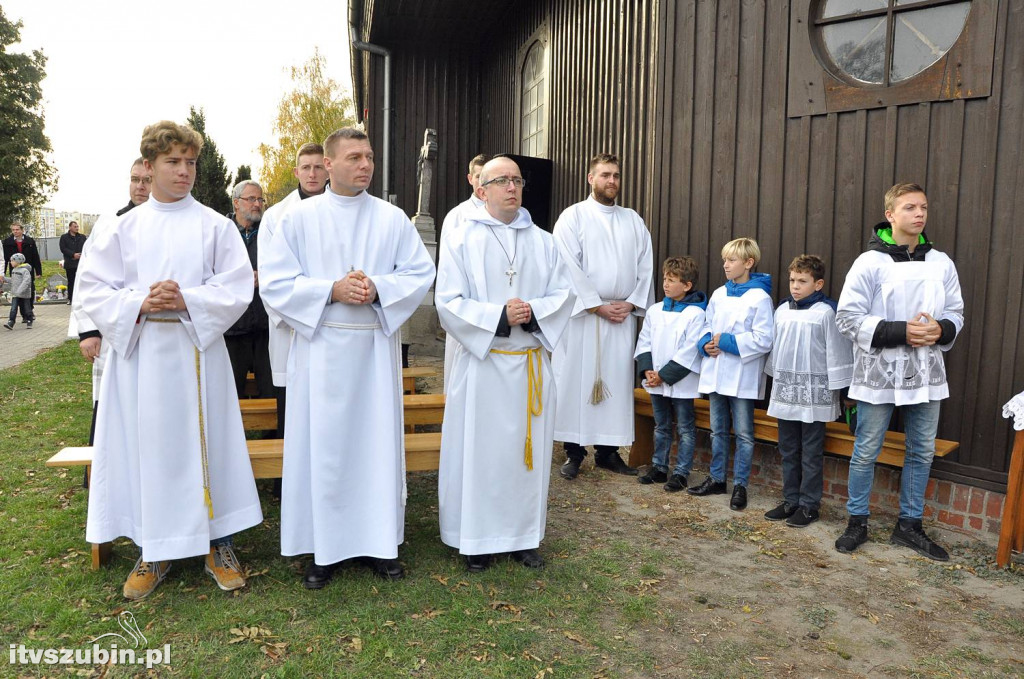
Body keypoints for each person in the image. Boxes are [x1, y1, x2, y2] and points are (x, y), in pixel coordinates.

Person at [76, 120, 263, 600]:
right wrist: (141, 302)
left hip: (197, 351)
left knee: (208, 446)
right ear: (149, 166)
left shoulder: (215, 225)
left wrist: (187, 301)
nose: (184, 171)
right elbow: (93, 288)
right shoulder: (120, 227)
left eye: (191, 163)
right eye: (172, 162)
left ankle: (217, 545)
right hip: (139, 358)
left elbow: (239, 287)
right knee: (148, 448)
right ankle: (153, 549)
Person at [260, 127, 435, 589]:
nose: (365, 165)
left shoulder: (392, 218)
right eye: (355, 157)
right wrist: (330, 289)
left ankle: (379, 544)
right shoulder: (297, 220)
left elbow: (420, 271)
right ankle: (323, 549)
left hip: (374, 349)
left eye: (370, 156)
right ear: (330, 164)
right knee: (326, 450)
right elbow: (275, 284)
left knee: (374, 448)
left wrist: (379, 287)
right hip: (320, 352)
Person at [436, 156, 572, 572]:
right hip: (484, 367)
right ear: (481, 189)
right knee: (483, 456)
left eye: (516, 180)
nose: (511, 187)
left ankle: (522, 537)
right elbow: (448, 303)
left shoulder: (545, 242)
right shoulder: (463, 239)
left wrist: (531, 311)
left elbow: (565, 295)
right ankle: (476, 540)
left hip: (528, 365)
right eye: (501, 181)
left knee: (523, 459)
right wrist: (498, 316)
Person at [834, 183, 964, 561]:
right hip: (880, 371)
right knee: (867, 449)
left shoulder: (940, 262)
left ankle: (909, 526)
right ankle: (857, 521)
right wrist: (899, 331)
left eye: (923, 206)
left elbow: (956, 311)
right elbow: (847, 319)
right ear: (890, 215)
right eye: (910, 207)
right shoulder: (870, 262)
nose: (919, 213)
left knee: (921, 450)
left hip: (926, 373)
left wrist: (942, 329)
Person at [552, 153, 654, 480]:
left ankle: (609, 453)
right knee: (575, 382)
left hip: (621, 316)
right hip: (583, 316)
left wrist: (634, 302)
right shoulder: (573, 217)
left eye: (616, 175)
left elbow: (645, 266)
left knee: (616, 384)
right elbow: (566, 265)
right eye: (605, 175)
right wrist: (595, 304)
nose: (612, 181)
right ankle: (574, 452)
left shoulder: (633, 220)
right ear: (590, 178)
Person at [763, 255, 853, 527]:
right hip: (787, 391)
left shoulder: (826, 312)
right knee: (788, 448)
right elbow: (777, 350)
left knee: (811, 452)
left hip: (814, 394)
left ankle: (809, 505)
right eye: (792, 280)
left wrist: (843, 391)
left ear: (818, 284)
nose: (795, 286)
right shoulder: (782, 310)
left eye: (802, 281)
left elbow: (838, 353)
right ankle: (791, 500)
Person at [70, 159, 152, 452]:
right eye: (135, 179)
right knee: (109, 401)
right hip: (112, 329)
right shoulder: (109, 223)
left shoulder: (172, 221)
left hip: (156, 330)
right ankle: (103, 474)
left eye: (147, 180)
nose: (140, 186)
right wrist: (88, 331)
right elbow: (86, 280)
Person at [689, 237, 773, 511]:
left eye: (732, 260)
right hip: (715, 372)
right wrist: (704, 343)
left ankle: (740, 485)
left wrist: (725, 342)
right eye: (725, 259)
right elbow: (705, 323)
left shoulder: (759, 297)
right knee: (717, 431)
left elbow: (764, 338)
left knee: (745, 434)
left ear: (748, 263)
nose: (725, 265)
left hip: (741, 375)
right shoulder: (718, 293)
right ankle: (716, 479)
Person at [257, 142, 330, 441]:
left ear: (328, 169)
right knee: (291, 412)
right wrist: (302, 312)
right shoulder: (276, 216)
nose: (312, 174)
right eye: (306, 167)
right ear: (295, 171)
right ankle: (284, 484)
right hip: (291, 330)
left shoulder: (344, 209)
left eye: (318, 167)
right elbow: (270, 276)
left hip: (332, 325)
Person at [633, 256, 707, 492]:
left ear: (687, 285)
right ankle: (659, 467)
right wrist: (648, 371)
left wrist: (664, 375)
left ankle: (682, 472)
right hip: (655, 380)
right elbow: (644, 341)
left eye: (672, 280)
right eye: (665, 278)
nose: (665, 284)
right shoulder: (655, 310)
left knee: (685, 427)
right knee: (661, 425)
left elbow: (690, 350)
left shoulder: (696, 313)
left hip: (681, 381)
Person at [440, 153, 489, 393]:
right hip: (466, 307)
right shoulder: (458, 216)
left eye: (488, 176)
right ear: (470, 179)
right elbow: (449, 267)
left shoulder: (512, 216)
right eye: (479, 176)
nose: (483, 182)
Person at [224, 180, 273, 400]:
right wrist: (239, 280)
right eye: (251, 199)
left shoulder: (270, 233)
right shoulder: (222, 233)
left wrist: (264, 276)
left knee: (271, 392)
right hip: (232, 330)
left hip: (264, 328)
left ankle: (272, 436)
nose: (257, 204)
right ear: (236, 203)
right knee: (231, 395)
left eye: (260, 199)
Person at [2, 222, 42, 316]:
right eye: (13, 230)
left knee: (30, 290)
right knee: (18, 291)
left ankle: (30, 310)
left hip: (28, 269)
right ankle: (24, 314)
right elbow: (5, 259)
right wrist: (2, 273)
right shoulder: (7, 242)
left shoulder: (30, 241)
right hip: (15, 271)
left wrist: (38, 271)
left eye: (17, 229)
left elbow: (35, 256)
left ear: (22, 230)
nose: (15, 231)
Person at [4, 253, 35, 329]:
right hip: (15, 294)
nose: (10, 262)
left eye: (12, 261)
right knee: (13, 308)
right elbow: (13, 281)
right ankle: (11, 321)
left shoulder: (25, 271)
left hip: (24, 294)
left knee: (27, 308)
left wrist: (20, 290)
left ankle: (29, 320)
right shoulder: (14, 270)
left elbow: (26, 281)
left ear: (18, 261)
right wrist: (4, 279)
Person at [59, 221, 87, 304]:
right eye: (75, 226)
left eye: (77, 226)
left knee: (81, 281)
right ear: (70, 227)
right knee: (71, 281)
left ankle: (81, 298)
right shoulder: (64, 237)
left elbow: (86, 247)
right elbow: (63, 248)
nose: (77, 228)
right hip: (70, 263)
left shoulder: (82, 237)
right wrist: (73, 254)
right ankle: (71, 299)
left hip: (81, 263)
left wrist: (81, 255)